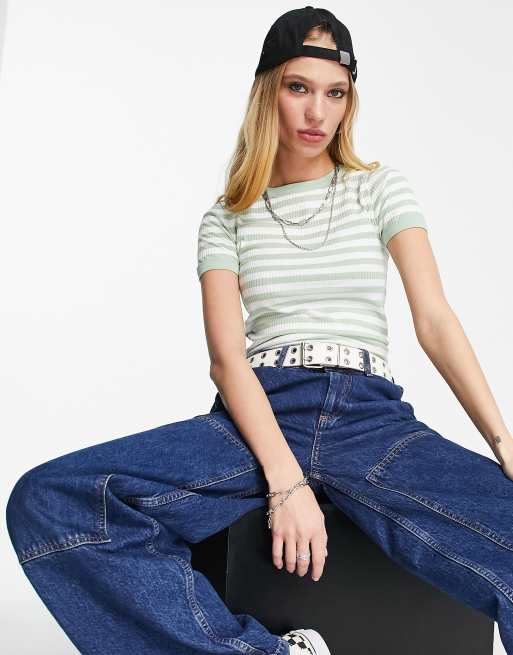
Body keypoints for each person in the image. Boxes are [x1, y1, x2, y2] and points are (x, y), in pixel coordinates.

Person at [6, 5, 513, 655]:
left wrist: (503, 441)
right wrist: (286, 481)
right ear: (268, 90)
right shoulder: (226, 218)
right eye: (298, 88)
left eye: (335, 93)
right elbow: (227, 360)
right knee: (53, 501)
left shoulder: (379, 188)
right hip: (258, 414)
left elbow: (434, 319)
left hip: (368, 417)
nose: (316, 112)